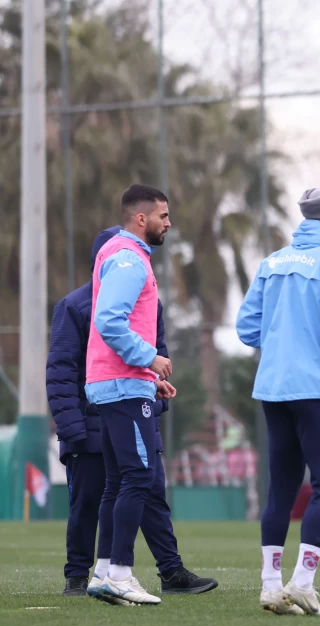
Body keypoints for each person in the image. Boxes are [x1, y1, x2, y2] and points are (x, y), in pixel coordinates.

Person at [47, 226, 217, 599]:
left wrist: (156, 398)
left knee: (148, 490)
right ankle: (82, 575)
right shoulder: (75, 305)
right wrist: (72, 428)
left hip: (133, 409)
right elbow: (61, 371)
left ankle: (168, 570)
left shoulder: (147, 299)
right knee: (94, 498)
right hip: (92, 422)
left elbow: (154, 355)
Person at [236, 188, 320, 617]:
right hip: (319, 390)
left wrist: (280, 343)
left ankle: (271, 586)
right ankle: (304, 583)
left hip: (274, 389)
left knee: (282, 488)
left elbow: (246, 328)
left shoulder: (272, 261)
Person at [80, 185, 180, 605]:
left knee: (118, 480)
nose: (168, 222)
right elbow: (108, 320)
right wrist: (150, 358)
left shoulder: (115, 254)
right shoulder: (130, 259)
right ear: (141, 219)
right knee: (139, 477)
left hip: (118, 381)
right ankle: (121, 572)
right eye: (162, 215)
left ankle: (104, 571)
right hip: (121, 385)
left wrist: (147, 375)